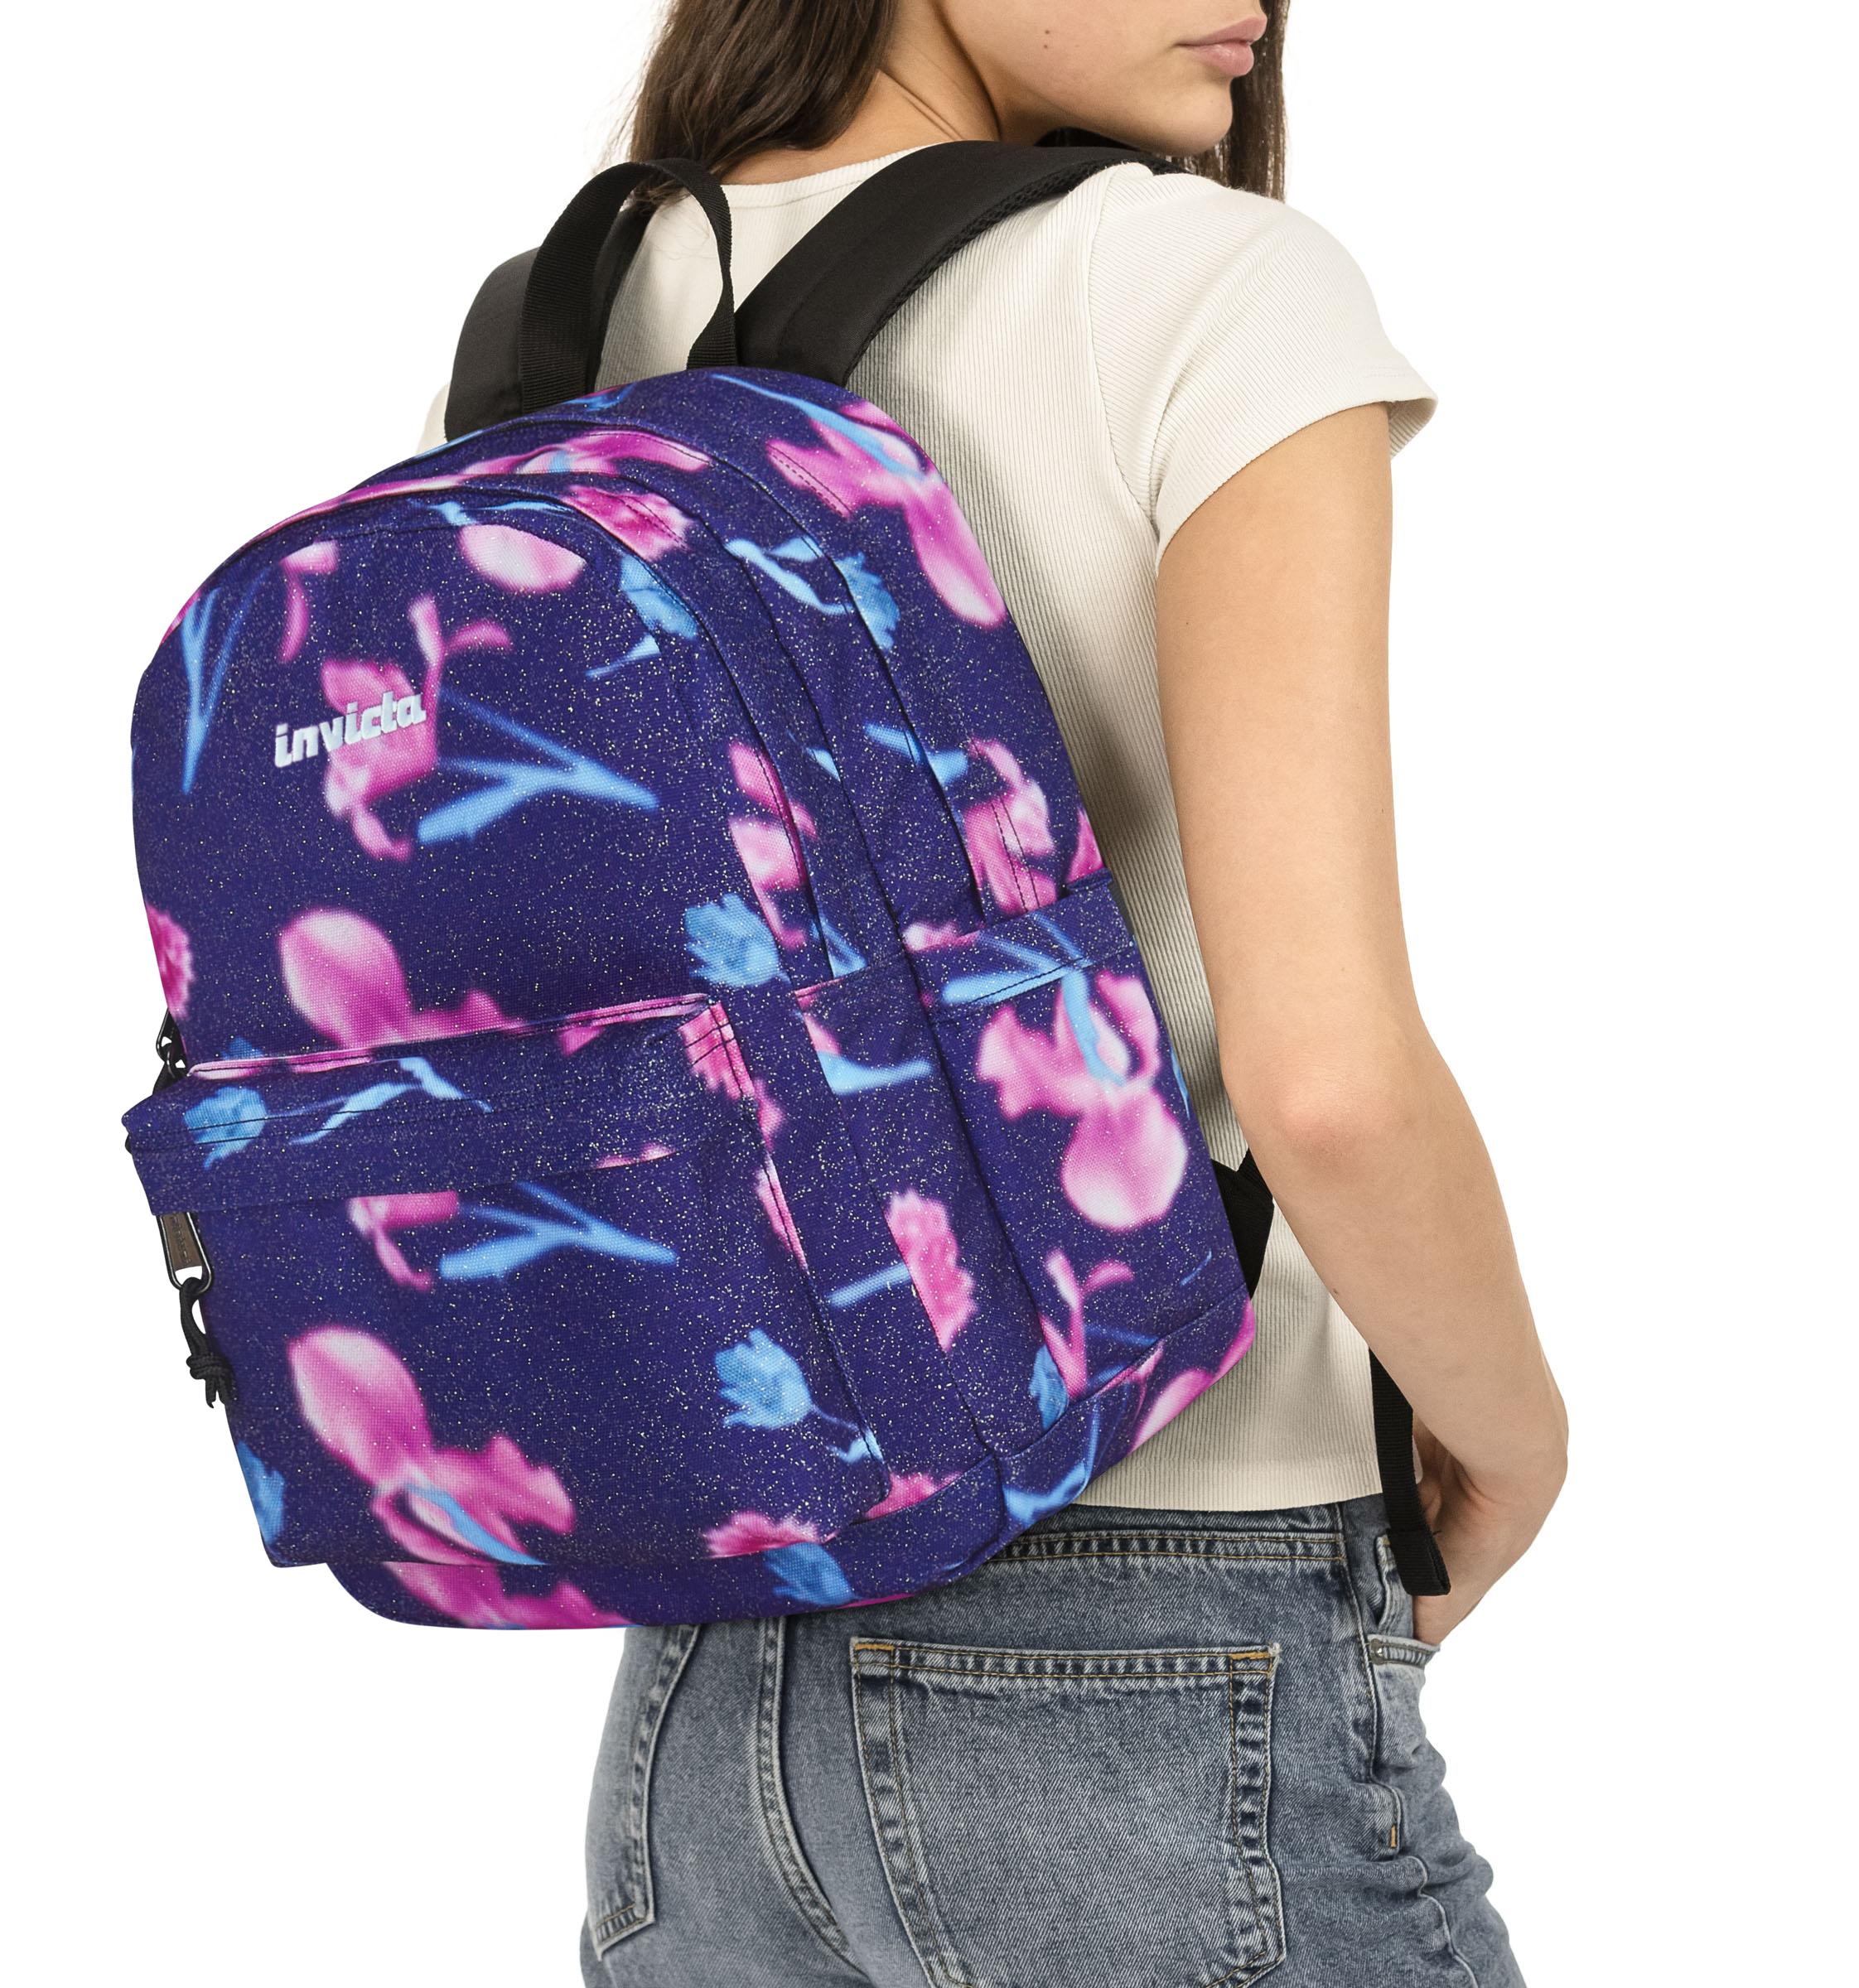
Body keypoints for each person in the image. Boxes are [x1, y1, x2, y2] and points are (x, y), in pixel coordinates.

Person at [420, 4, 1569, 1981]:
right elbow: (1327, 1081)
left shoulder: (559, 326)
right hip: (1156, 1624)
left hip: (704, 1690)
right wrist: (1514, 1444)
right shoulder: (1200, 284)